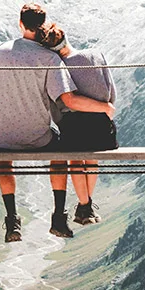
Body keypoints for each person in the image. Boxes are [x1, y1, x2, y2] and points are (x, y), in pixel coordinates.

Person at [0, 4, 115, 243]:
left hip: (0, 135)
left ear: (20, 23)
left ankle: (12, 219)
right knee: (61, 150)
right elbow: (68, 99)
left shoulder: (0, 50)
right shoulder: (49, 58)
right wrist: (105, 108)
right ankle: (58, 217)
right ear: (43, 24)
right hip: (37, 137)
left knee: (3, 157)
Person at [36, 23, 117, 226]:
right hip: (103, 130)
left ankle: (85, 205)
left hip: (75, 129)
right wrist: (104, 108)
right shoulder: (95, 54)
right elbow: (111, 92)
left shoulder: (58, 67)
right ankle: (85, 207)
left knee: (75, 160)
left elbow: (65, 103)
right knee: (92, 160)